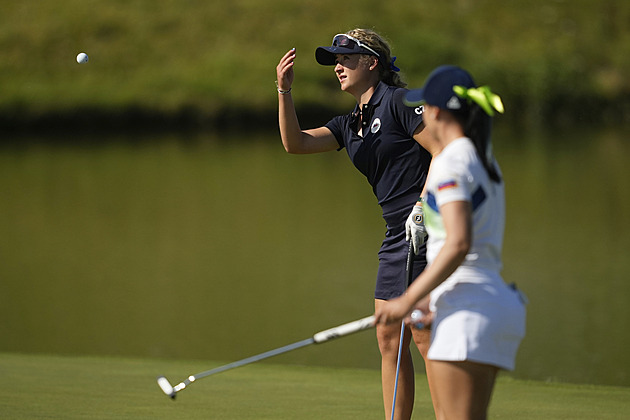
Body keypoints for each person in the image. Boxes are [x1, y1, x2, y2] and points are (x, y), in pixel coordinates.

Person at [276, 29, 438, 419]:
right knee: (389, 335)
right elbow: (295, 143)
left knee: (422, 332)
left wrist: (423, 206)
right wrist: (284, 92)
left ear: (372, 63)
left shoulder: (399, 102)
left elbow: (445, 150)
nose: (338, 66)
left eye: (346, 58)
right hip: (396, 233)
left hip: (427, 225)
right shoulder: (350, 124)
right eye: (335, 60)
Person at [374, 65, 527, 420]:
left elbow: (458, 244)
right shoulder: (484, 159)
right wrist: (426, 299)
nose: (422, 113)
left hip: (465, 311)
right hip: (493, 307)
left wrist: (407, 300)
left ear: (437, 112)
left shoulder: (449, 162)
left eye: (424, 106)